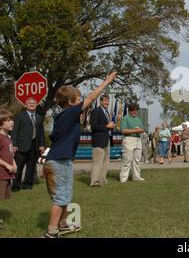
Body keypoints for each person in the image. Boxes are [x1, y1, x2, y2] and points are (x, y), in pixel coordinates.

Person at [43, 71, 116, 238]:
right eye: (78, 100)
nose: (82, 103)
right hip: (58, 162)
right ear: (70, 103)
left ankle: (62, 225)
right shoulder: (69, 113)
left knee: (65, 195)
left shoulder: (66, 117)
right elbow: (91, 99)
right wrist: (106, 81)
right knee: (61, 198)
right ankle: (51, 232)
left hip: (61, 160)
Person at [11, 97, 45, 192]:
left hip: (34, 146)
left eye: (33, 103)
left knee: (31, 167)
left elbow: (41, 132)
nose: (31, 104)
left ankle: (27, 185)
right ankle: (15, 186)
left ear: (36, 105)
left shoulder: (39, 118)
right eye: (29, 103)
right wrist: (14, 144)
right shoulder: (19, 116)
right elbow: (14, 132)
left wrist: (42, 144)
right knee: (19, 167)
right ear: (25, 105)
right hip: (21, 146)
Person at [89, 95, 114, 187]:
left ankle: (102, 179)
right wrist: (107, 126)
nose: (107, 103)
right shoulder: (96, 112)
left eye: (108, 101)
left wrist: (111, 127)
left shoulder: (107, 112)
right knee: (97, 162)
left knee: (106, 161)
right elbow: (94, 126)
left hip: (107, 139)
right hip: (98, 140)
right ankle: (94, 181)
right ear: (100, 101)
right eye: (105, 101)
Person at [119, 104, 145, 183]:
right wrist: (136, 130)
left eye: (136, 110)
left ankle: (136, 177)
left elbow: (142, 129)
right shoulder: (125, 119)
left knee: (137, 160)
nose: (135, 112)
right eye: (133, 110)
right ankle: (123, 178)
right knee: (127, 159)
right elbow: (123, 131)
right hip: (128, 139)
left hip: (138, 140)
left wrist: (140, 130)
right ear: (129, 111)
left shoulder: (138, 119)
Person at [0, 109, 17, 202]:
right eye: (8, 120)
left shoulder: (8, 138)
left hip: (7, 174)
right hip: (1, 174)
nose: (12, 122)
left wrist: (14, 164)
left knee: (3, 199)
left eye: (12, 120)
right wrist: (7, 165)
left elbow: (11, 154)